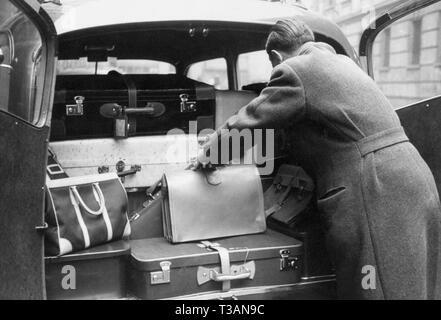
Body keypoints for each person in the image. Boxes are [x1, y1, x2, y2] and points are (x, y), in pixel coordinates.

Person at [193, 19, 441, 299]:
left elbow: (251, 120)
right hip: (414, 180)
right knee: (412, 285)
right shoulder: (343, 63)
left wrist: (208, 155)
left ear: (276, 57)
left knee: (374, 287)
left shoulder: (296, 70)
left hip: (375, 190)